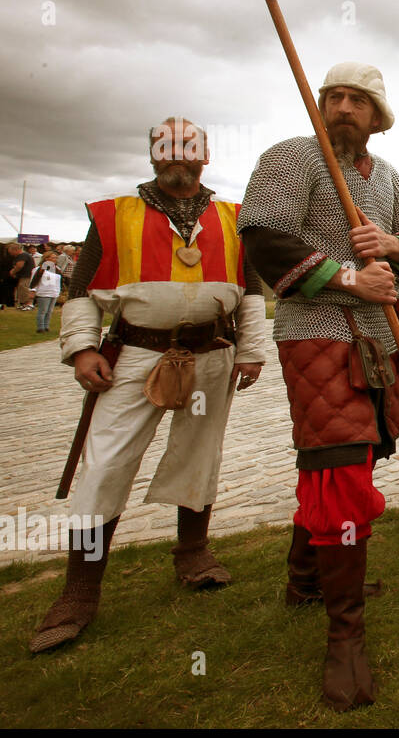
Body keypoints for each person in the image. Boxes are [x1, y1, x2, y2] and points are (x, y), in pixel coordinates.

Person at [30, 118, 269, 654]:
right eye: (167, 149)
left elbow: (249, 290)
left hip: (212, 352)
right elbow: (83, 288)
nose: (177, 157)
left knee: (199, 454)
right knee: (106, 462)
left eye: (189, 148)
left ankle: (193, 554)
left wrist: (251, 351)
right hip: (136, 355)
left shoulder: (233, 217)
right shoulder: (115, 215)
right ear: (153, 156)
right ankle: (80, 589)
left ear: (205, 156)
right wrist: (83, 347)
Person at [239, 60, 399, 711]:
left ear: (378, 117)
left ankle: (305, 578)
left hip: (377, 339)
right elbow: (263, 240)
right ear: (319, 103)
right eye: (335, 96)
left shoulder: (391, 180)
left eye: (359, 100)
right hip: (317, 330)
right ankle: (345, 633)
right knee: (339, 467)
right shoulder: (293, 157)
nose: (345, 107)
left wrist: (394, 248)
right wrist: (349, 279)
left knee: (345, 460)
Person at [31, 251, 61, 333]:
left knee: (49, 311)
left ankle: (46, 326)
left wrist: (58, 291)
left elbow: (58, 281)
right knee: (43, 310)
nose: (55, 259)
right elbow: (34, 280)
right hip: (44, 292)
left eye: (55, 258)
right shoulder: (39, 269)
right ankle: (40, 327)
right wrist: (33, 290)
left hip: (54, 292)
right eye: (53, 257)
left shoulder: (57, 269)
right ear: (46, 258)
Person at [9, 242, 35, 309]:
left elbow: (19, 265)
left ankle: (28, 304)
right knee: (22, 289)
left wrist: (13, 272)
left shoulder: (22, 255)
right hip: (24, 276)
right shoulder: (24, 255)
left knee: (24, 289)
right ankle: (23, 304)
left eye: (11, 252)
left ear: (16, 250)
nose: (11, 254)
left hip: (26, 276)